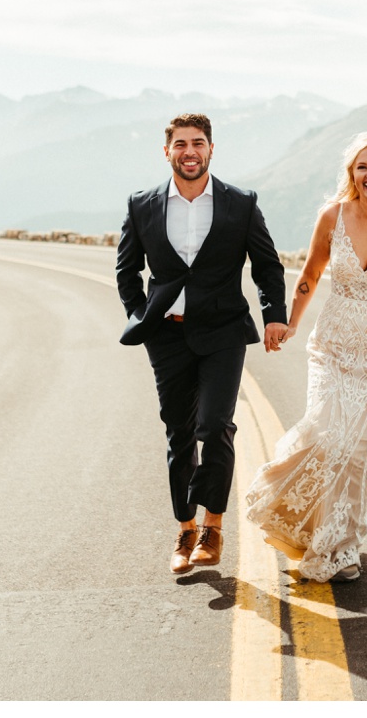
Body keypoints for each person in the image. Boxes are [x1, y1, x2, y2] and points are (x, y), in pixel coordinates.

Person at [244, 131, 367, 583]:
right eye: (361, 167)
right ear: (352, 174)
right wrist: (290, 321)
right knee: (327, 435)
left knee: (359, 452)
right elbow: (310, 273)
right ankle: (296, 513)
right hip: (332, 345)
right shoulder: (333, 217)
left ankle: (342, 547)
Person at [117, 113, 290, 575]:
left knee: (214, 426)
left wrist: (274, 316)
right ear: (167, 151)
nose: (189, 151)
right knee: (178, 433)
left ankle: (213, 527)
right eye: (180, 144)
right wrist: (143, 317)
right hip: (167, 336)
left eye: (197, 143)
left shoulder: (241, 203)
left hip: (223, 333)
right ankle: (185, 528)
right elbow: (126, 270)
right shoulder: (142, 205)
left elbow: (267, 266)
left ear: (211, 149)